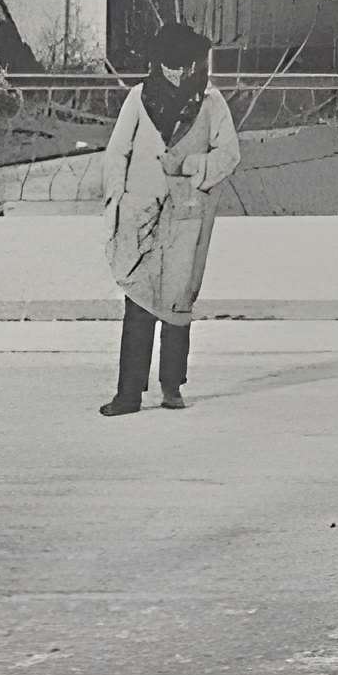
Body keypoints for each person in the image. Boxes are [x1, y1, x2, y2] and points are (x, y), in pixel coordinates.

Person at [96, 22, 241, 415]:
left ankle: (171, 386)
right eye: (170, 65)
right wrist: (118, 199)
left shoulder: (211, 103)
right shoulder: (139, 99)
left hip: (184, 219)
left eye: (185, 66)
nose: (178, 73)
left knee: (177, 305)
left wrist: (190, 166)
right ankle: (128, 394)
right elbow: (116, 153)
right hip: (139, 215)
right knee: (138, 304)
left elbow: (229, 155)